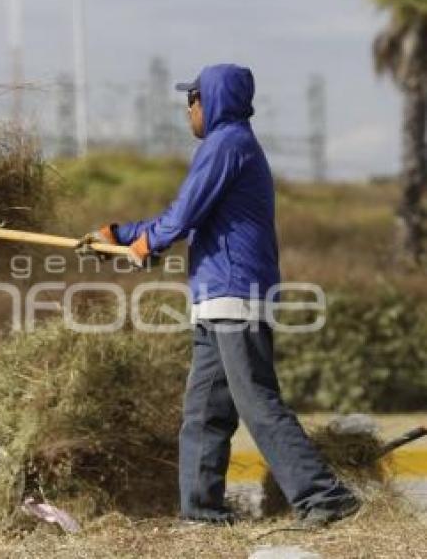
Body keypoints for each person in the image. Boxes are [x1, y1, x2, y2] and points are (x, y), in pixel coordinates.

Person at [78, 64, 360, 526]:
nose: (186, 112)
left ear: (209, 102)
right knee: (204, 411)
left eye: (190, 102)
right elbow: (184, 213)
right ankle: (201, 512)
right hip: (215, 297)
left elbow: (185, 213)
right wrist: (118, 235)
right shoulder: (228, 146)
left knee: (256, 402)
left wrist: (143, 245)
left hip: (235, 292)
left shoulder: (227, 144)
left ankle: (323, 497)